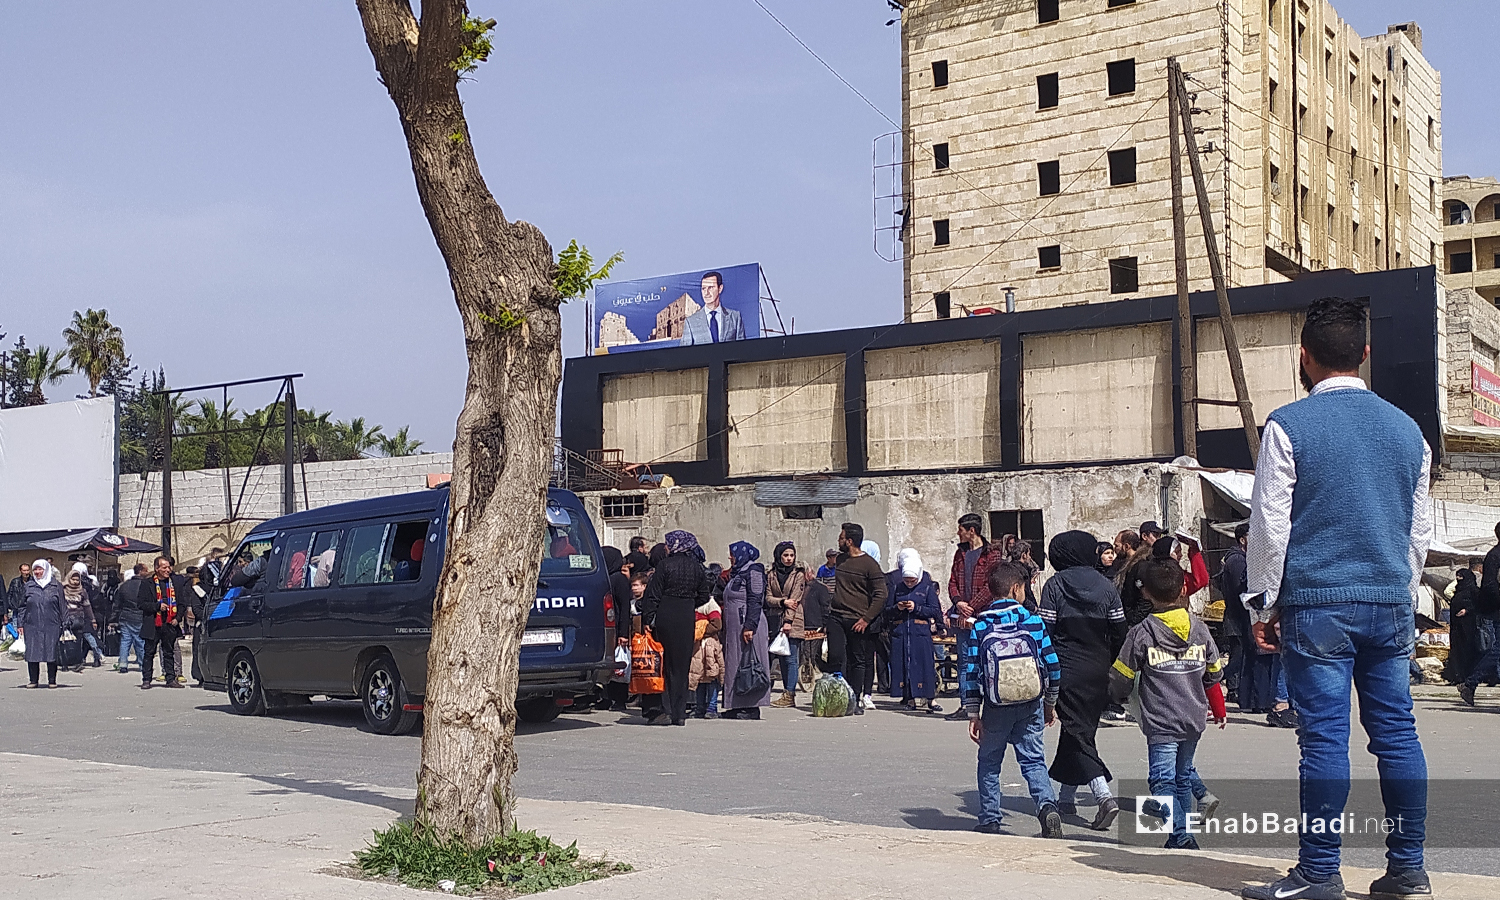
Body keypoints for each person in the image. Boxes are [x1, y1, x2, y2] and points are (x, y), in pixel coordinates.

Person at [1242, 296, 1433, 900]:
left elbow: (1271, 527)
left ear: (1304, 357)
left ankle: (1319, 871)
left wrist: (1261, 604)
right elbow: (1418, 532)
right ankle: (1408, 869)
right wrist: (1403, 593)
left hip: (1319, 604)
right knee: (1397, 734)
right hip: (1390, 602)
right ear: (1366, 354)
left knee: (1324, 739)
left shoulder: (1288, 425)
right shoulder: (1409, 432)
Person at [1108, 557, 1227, 849]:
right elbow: (1214, 673)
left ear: (1145, 593)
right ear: (1183, 589)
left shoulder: (1142, 632)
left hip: (1161, 721)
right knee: (1182, 778)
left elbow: (1121, 676)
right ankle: (1180, 837)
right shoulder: (1199, 629)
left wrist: (1117, 695)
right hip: (1193, 717)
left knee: (1161, 782)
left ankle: (1181, 835)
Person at [964, 561, 1063, 838]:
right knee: (1033, 761)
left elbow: (971, 670)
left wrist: (973, 713)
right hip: (1031, 702)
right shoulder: (1032, 621)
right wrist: (1049, 704)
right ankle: (1047, 808)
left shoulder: (981, 624)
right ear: (1016, 588)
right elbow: (1053, 665)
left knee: (990, 761)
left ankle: (990, 818)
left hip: (995, 706)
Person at [1040, 530, 1127, 830]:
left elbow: (1045, 633)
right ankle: (1066, 797)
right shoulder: (1106, 585)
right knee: (1079, 730)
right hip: (1099, 668)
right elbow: (1119, 630)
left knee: (1078, 733)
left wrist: (1044, 672)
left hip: (1066, 669)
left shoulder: (1055, 585)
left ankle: (1104, 797)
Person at [641, 531, 711, 726]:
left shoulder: (664, 565)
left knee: (664, 664)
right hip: (686, 617)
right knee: (681, 666)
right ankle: (680, 713)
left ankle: (666, 710)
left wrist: (648, 618)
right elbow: (705, 595)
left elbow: (654, 595)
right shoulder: (696, 567)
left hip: (665, 616)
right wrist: (688, 604)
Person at [945, 513, 1007, 721]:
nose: (958, 533)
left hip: (984, 616)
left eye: (961, 529)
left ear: (972, 531)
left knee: (987, 659)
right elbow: (952, 581)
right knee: (965, 661)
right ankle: (966, 705)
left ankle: (991, 703)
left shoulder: (992, 554)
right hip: (963, 616)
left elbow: (993, 585)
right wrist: (959, 603)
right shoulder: (959, 554)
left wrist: (971, 606)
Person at [826, 523, 887, 717]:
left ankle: (854, 699)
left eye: (841, 537)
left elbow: (881, 594)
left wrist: (866, 619)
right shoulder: (841, 560)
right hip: (836, 616)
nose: (838, 540)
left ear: (850, 541)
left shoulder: (869, 564)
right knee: (835, 656)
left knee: (857, 660)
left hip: (857, 620)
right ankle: (836, 697)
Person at [886, 549, 943, 712]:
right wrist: (898, 608)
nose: (909, 584)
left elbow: (934, 610)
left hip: (920, 633)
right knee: (906, 665)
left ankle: (930, 699)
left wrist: (917, 608)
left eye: (912, 581)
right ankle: (910, 699)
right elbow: (887, 610)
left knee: (925, 665)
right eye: (907, 580)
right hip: (902, 632)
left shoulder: (926, 589)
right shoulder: (898, 589)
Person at [721, 541, 771, 719]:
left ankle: (751, 706)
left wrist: (750, 625)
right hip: (735, 627)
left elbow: (756, 599)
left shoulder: (754, 571)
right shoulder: (739, 572)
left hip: (748, 626)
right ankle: (736, 705)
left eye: (732, 554)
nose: (730, 557)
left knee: (750, 664)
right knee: (735, 663)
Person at [138, 556, 196, 690]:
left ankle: (171, 678)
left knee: (169, 652)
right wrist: (157, 606)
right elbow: (141, 604)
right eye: (164, 567)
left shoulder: (174, 583)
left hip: (170, 623)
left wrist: (178, 617)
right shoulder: (148, 584)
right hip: (153, 622)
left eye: (169, 567)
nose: (168, 570)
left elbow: (181, 603)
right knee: (149, 652)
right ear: (156, 569)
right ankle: (146, 679)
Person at [1461, 522, 1500, 704]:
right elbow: (1490, 586)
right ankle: (1470, 683)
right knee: (1497, 651)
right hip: (1498, 610)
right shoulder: (1494, 556)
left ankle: (1470, 684)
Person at [767, 541, 809, 709]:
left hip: (793, 621)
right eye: (785, 555)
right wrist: (783, 601)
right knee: (782, 659)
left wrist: (788, 622)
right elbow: (768, 597)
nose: (789, 559)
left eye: (791, 555)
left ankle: (789, 694)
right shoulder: (771, 574)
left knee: (791, 658)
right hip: (775, 619)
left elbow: (796, 599)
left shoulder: (798, 574)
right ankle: (785, 691)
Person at [1217, 524, 1251, 706]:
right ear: (1242, 539)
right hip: (1236, 617)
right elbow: (1241, 588)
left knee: (1240, 655)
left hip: (1237, 617)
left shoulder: (1236, 558)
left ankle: (1233, 686)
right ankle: (1226, 684)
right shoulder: (1237, 560)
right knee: (1238, 656)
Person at [19, 560, 67, 688]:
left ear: (46, 570)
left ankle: (52, 680)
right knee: (33, 651)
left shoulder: (56, 586)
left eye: (40, 569)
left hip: (52, 623)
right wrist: (20, 624)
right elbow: (22, 606)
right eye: (35, 569)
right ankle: (33, 680)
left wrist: (65, 621)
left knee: (51, 651)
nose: (38, 572)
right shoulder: (29, 586)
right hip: (32, 624)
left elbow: (62, 605)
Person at [600, 547, 635, 710]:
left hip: (617, 627)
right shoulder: (607, 577)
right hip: (608, 627)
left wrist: (623, 633)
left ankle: (619, 699)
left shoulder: (619, 579)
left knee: (619, 664)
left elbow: (624, 606)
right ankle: (607, 697)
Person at [679, 271, 746, 345]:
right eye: (703, 289)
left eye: (710, 288)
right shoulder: (691, 322)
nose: (706, 293)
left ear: (720, 288)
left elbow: (742, 350)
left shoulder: (735, 317)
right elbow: (684, 353)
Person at [1445, 566, 1484, 685]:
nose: (1458, 579)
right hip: (1456, 627)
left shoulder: (1474, 591)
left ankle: (1468, 676)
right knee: (1456, 651)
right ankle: (1457, 676)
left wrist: (1467, 611)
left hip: (1468, 627)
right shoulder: (1458, 591)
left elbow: (1480, 606)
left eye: (1461, 576)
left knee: (1468, 650)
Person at [62, 564, 105, 670]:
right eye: (73, 579)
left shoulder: (82, 591)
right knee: (65, 641)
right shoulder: (62, 590)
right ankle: (64, 663)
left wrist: (92, 619)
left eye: (77, 580)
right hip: (65, 619)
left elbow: (87, 606)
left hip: (79, 619)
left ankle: (81, 661)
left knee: (80, 640)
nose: (75, 582)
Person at [688, 591, 723, 719]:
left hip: (709, 645)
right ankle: (700, 706)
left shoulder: (710, 604)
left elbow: (717, 624)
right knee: (699, 676)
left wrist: (700, 629)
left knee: (711, 676)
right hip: (697, 646)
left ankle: (712, 707)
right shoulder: (693, 603)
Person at [113, 563, 148, 674]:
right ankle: (143, 664)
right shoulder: (145, 585)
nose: (147, 573)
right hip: (139, 615)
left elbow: (117, 603)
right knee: (140, 640)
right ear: (141, 571)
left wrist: (113, 618)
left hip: (125, 616)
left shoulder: (124, 585)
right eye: (146, 571)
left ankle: (123, 664)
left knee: (125, 640)